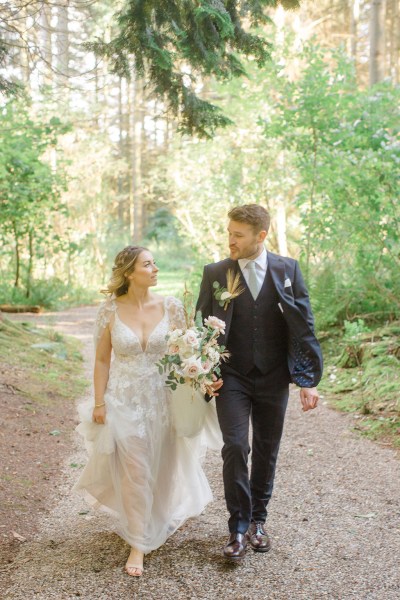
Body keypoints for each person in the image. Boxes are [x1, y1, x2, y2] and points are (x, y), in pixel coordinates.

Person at [74, 246, 217, 577]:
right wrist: (99, 402)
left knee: (162, 466)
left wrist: (202, 377)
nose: (155, 268)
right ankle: (139, 542)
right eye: (148, 264)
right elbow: (101, 359)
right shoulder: (109, 310)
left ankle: (157, 517)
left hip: (163, 398)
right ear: (129, 272)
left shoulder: (172, 307)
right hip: (123, 400)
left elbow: (188, 351)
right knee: (135, 470)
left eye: (155, 263)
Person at [196, 204, 323, 561]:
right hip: (232, 377)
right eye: (229, 233)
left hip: (274, 377)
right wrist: (204, 373)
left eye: (238, 234)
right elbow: (201, 328)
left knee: (267, 449)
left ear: (260, 236)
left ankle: (258, 522)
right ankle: (237, 527)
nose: (230, 240)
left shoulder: (288, 269)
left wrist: (307, 380)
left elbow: (304, 325)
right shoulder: (216, 273)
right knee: (236, 446)